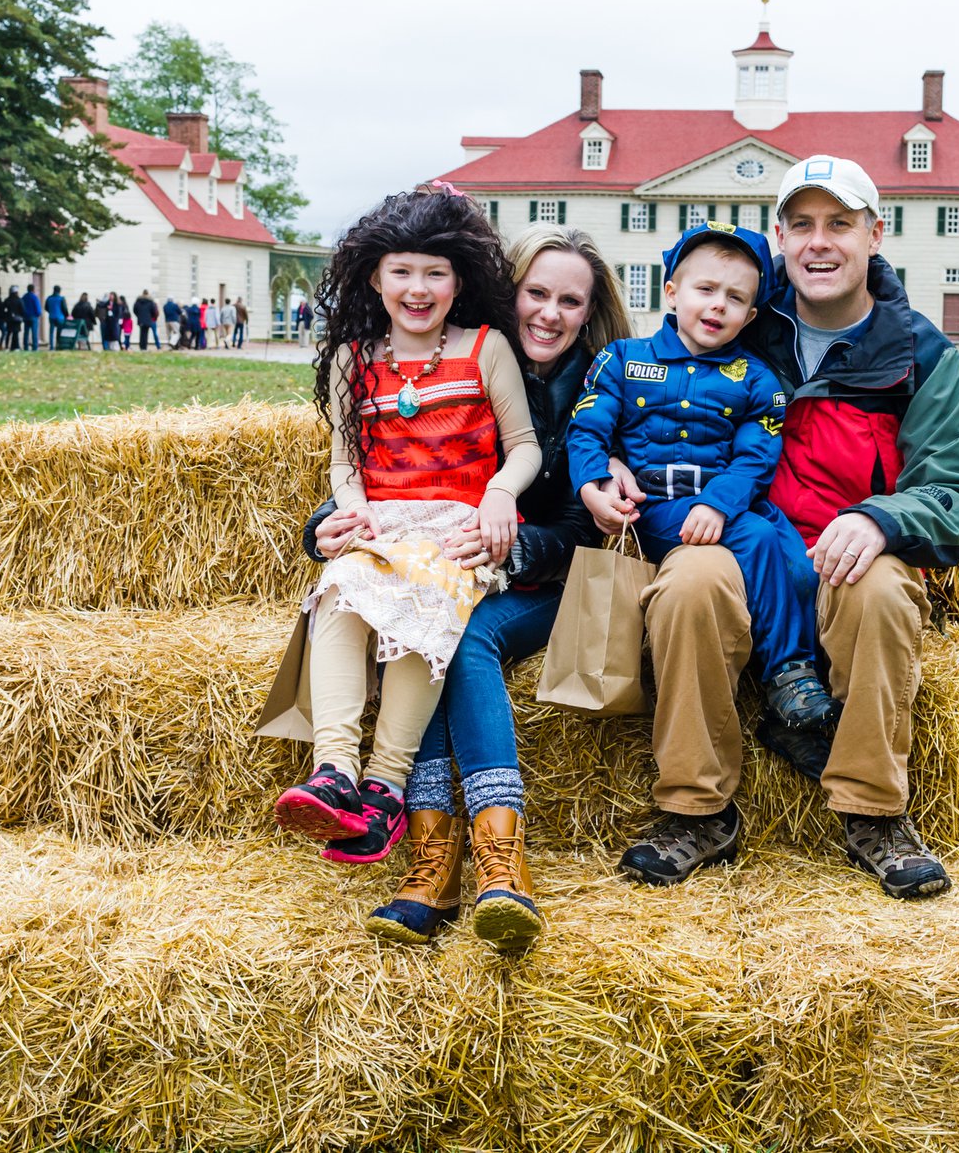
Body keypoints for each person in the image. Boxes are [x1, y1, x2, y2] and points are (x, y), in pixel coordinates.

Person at [609, 155, 959, 900]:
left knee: (881, 590)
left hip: (843, 552)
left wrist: (883, 516)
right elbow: (648, 402)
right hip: (736, 541)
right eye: (803, 225)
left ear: (874, 234)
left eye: (840, 224)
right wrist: (610, 468)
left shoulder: (918, 353)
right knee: (688, 581)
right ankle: (696, 809)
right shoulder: (739, 322)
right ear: (780, 238)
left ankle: (874, 813)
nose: (820, 243)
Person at [308, 222, 633, 952]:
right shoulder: (471, 359)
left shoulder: (608, 385)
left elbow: (591, 527)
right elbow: (386, 471)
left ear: (592, 310)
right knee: (430, 611)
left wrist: (510, 543)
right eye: (536, 292)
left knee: (466, 631)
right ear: (506, 291)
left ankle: (496, 862)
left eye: (570, 301)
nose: (549, 313)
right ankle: (429, 857)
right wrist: (324, 528)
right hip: (457, 560)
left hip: (559, 575)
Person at [265, 184, 541, 932]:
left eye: (435, 273)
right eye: (402, 273)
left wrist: (500, 497)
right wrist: (349, 508)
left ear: (460, 281)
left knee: (426, 601)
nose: (418, 290)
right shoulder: (356, 362)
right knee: (342, 587)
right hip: (384, 518)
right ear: (373, 280)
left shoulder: (487, 351)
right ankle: (335, 771)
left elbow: (523, 448)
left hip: (457, 521)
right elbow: (344, 462)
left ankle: (386, 788)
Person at [570, 221, 838, 730]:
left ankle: (801, 673)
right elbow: (587, 428)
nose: (718, 305)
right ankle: (789, 674)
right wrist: (592, 482)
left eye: (736, 298)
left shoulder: (756, 379)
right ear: (671, 292)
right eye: (706, 289)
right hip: (651, 511)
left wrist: (717, 502)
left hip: (726, 503)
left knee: (799, 566)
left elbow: (756, 457)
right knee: (757, 537)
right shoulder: (622, 361)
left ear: (751, 315)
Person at [21, 284, 42, 351]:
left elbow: (21, 307)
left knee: (26, 332)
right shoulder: (35, 297)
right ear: (33, 289)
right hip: (33, 317)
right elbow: (38, 309)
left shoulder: (24, 297)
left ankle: (25, 347)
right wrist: (38, 314)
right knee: (34, 333)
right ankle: (34, 347)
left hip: (26, 317)